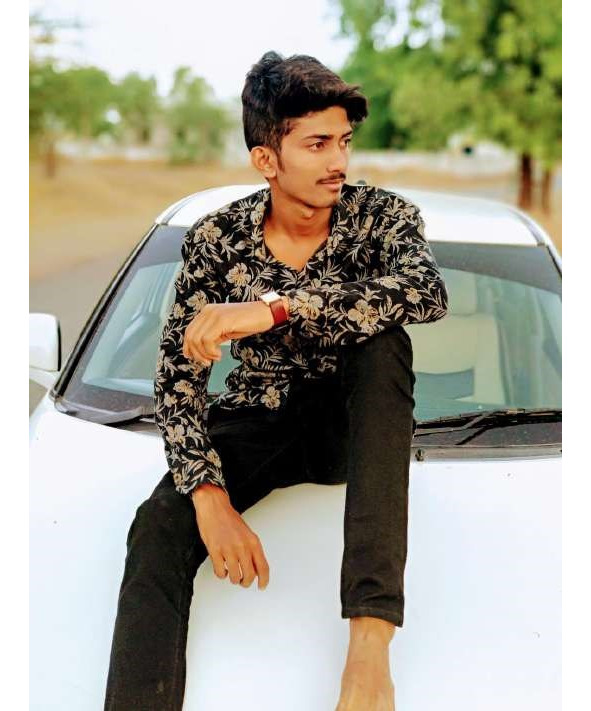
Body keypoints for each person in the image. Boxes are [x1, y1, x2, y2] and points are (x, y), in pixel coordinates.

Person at [103, 51, 449, 711]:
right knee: (156, 524)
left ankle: (368, 652)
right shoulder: (215, 238)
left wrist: (276, 308)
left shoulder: (382, 218)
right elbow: (178, 375)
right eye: (317, 144)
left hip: (352, 423)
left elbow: (424, 291)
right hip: (259, 416)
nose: (338, 161)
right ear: (266, 159)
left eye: (343, 141)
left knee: (384, 343)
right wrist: (210, 497)